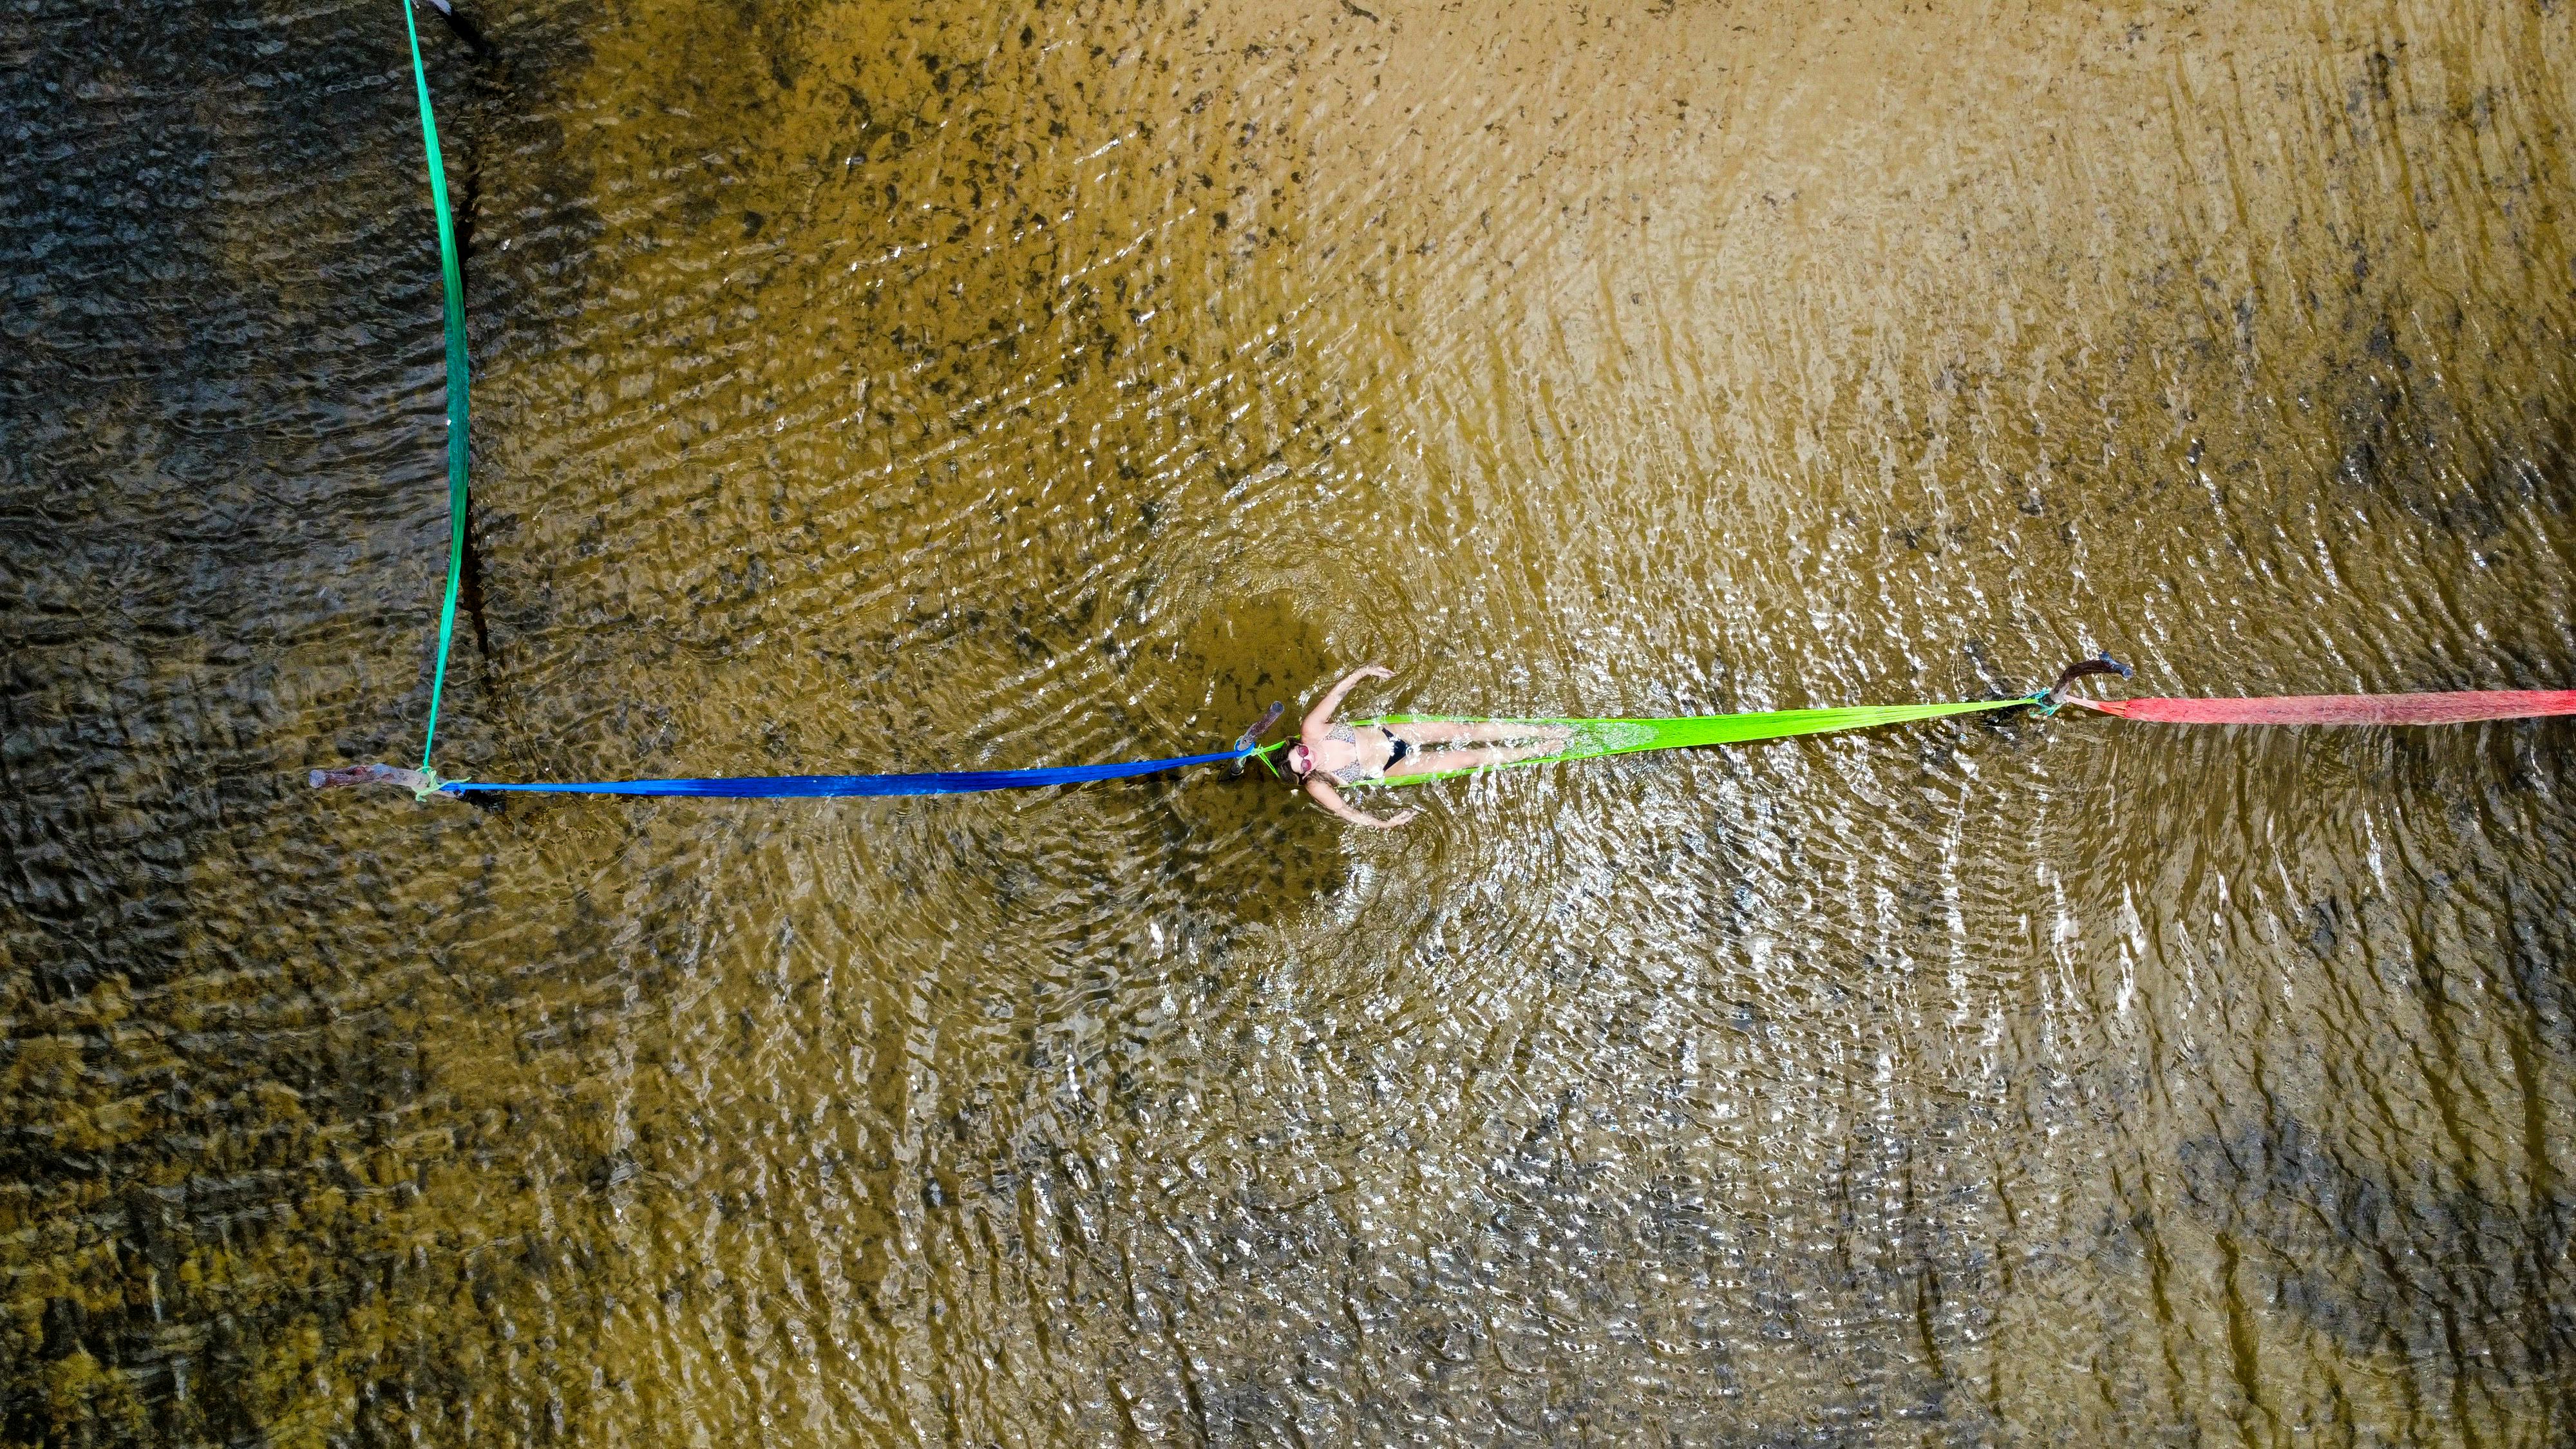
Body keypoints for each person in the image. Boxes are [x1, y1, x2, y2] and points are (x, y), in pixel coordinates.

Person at [1282, 665, 1573, 828]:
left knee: (1465, 730)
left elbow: (1337, 693)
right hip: (1393, 767)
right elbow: (1346, 811)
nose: (1309, 758)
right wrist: (1385, 823)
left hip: (1391, 732)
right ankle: (1537, 750)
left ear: (1299, 744)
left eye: (1302, 753)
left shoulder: (1312, 729)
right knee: (1467, 760)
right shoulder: (1316, 785)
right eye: (1304, 766)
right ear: (1304, 775)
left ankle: (1541, 729)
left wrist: (1364, 673)